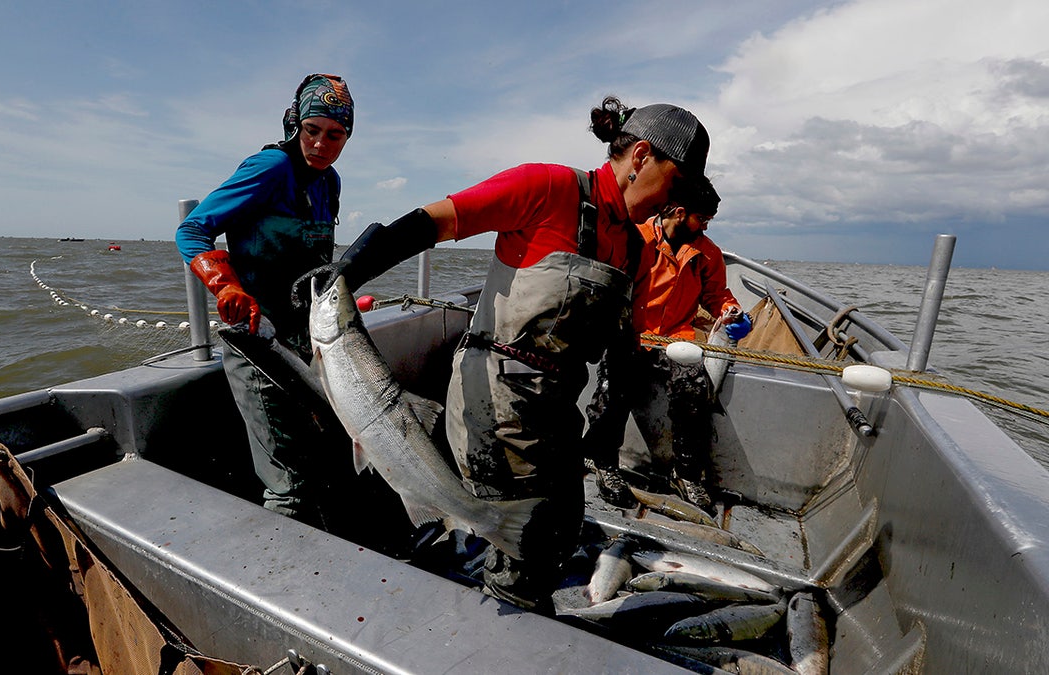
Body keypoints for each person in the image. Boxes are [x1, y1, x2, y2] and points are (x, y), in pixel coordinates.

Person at [296, 96, 710, 612]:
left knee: (563, 526)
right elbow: (433, 222)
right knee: (528, 551)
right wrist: (348, 270)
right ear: (642, 157)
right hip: (496, 406)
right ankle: (498, 630)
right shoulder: (547, 187)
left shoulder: (630, 242)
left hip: (557, 406)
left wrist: (606, 428)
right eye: (675, 186)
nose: (672, 204)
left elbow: (618, 342)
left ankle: (513, 604)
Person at [175, 73, 354, 528]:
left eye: (335, 135)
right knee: (287, 484)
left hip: (306, 339)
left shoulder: (329, 182)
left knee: (325, 453)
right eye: (312, 130)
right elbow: (192, 229)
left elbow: (315, 260)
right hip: (258, 343)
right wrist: (225, 285)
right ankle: (286, 579)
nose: (321, 144)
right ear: (296, 124)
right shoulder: (270, 169)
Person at [583, 175, 752, 513]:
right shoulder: (636, 238)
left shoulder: (708, 253)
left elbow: (717, 295)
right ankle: (602, 461)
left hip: (678, 339)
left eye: (707, 221)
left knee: (694, 390)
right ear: (678, 211)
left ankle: (686, 474)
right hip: (631, 333)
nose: (704, 226)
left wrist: (729, 310)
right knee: (613, 388)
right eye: (700, 218)